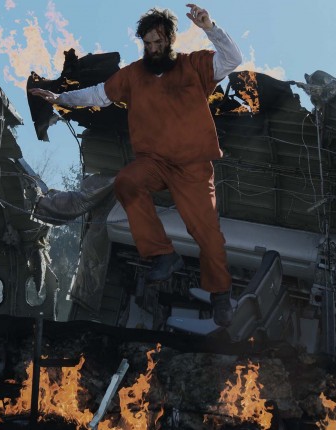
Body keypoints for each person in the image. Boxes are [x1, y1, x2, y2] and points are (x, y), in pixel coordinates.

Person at [30, 4, 242, 326]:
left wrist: (210, 27)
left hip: (192, 166)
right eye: (148, 43)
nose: (153, 49)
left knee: (206, 231)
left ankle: (221, 294)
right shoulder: (133, 75)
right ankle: (163, 254)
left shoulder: (194, 65)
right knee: (126, 181)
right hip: (154, 162)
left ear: (170, 40)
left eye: (158, 42)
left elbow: (232, 60)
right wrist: (60, 98)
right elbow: (99, 95)